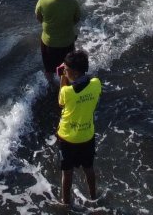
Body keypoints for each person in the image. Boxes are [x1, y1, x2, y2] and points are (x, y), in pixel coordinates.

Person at [55, 49, 101, 206]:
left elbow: (61, 102)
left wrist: (62, 77)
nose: (65, 71)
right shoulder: (96, 84)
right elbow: (87, 84)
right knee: (89, 169)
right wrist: (68, 73)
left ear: (73, 71)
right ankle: (94, 197)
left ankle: (66, 203)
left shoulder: (67, 92)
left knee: (67, 174)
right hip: (87, 135)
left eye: (66, 70)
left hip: (67, 138)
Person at [35, 0, 82, 85]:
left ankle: (51, 85)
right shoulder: (73, 3)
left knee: (49, 68)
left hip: (48, 43)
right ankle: (64, 85)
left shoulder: (42, 2)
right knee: (67, 67)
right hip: (67, 42)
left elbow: (39, 18)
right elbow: (76, 19)